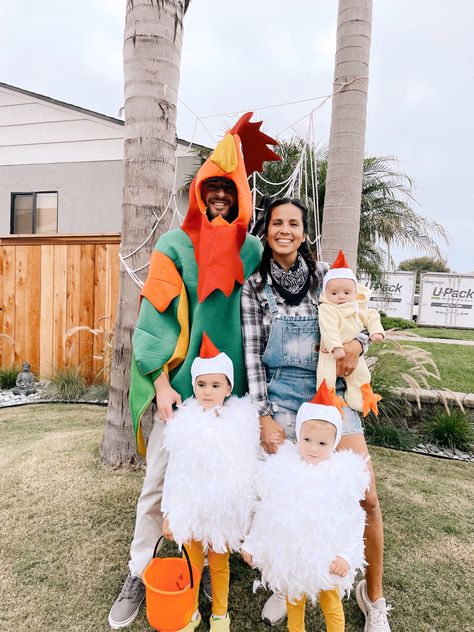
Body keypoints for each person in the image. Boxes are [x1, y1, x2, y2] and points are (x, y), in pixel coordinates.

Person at [108, 112, 279, 630]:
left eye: (229, 189)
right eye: (212, 189)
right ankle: (140, 570)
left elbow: (286, 301)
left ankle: (225, 565)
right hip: (180, 395)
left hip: (236, 400)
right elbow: (153, 320)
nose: (220, 197)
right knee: (159, 484)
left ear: (240, 195)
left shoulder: (254, 250)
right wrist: (160, 383)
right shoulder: (171, 247)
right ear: (199, 193)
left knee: (234, 485)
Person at [241, 198, 392, 632]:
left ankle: (373, 597)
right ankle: (285, 582)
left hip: (332, 396)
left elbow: (363, 318)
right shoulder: (254, 288)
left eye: (293, 223)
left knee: (366, 497)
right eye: (275, 223)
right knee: (284, 499)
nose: (284, 230)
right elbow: (254, 356)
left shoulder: (328, 276)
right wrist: (264, 413)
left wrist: (359, 346)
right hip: (284, 397)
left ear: (304, 232)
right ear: (265, 231)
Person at [241, 381, 370, 632]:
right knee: (294, 602)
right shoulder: (284, 471)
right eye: (307, 439)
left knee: (331, 604)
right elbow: (267, 510)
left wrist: (345, 554)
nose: (312, 448)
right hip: (293, 556)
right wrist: (252, 544)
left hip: (328, 556)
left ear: (333, 444)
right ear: (298, 435)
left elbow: (354, 520)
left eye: (322, 444)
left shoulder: (340, 478)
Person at [161, 333, 260, 631]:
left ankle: (220, 614)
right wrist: (169, 513)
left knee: (219, 564)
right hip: (192, 509)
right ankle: (190, 611)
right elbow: (174, 472)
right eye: (201, 385)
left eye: (215, 385)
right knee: (191, 564)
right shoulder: (184, 426)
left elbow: (248, 470)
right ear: (194, 386)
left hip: (222, 513)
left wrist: (247, 515)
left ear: (228, 388)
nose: (207, 392)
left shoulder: (239, 425)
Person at [317, 249, 385, 416]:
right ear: (326, 293)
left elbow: (372, 316)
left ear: (355, 292)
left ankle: (362, 398)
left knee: (361, 374)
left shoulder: (358, 306)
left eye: (347, 293)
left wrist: (376, 331)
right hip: (330, 351)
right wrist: (336, 347)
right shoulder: (327, 308)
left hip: (354, 350)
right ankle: (329, 397)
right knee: (326, 375)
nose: (341, 297)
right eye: (334, 293)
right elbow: (328, 328)